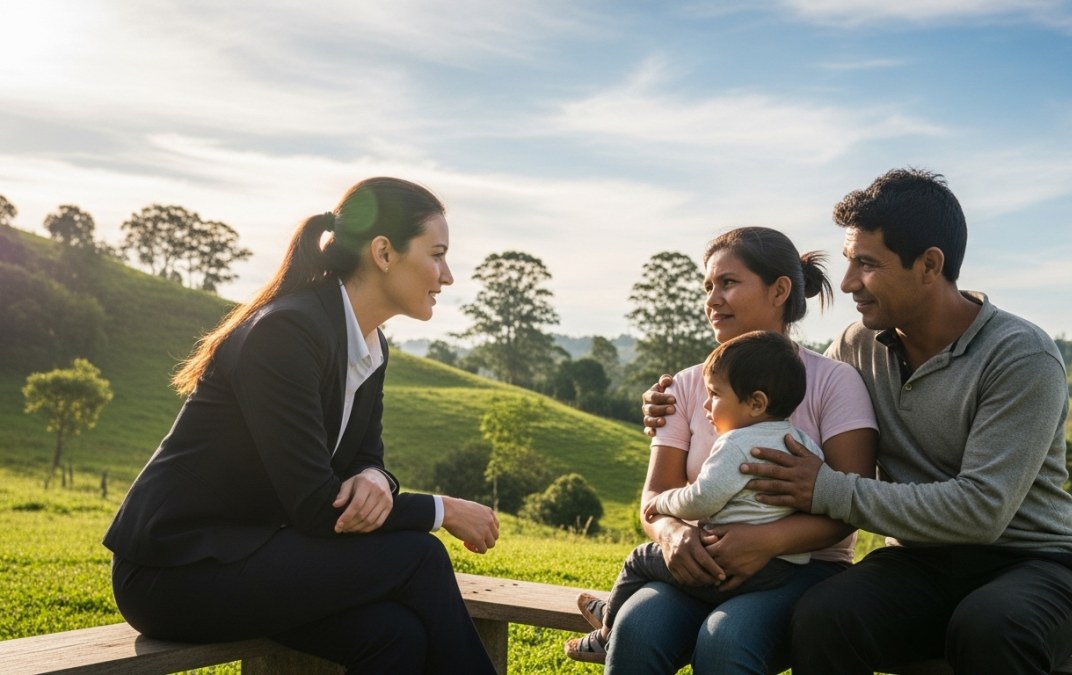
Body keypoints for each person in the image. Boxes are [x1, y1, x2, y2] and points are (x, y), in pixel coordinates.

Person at [676, 168, 1072, 674]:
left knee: (989, 627)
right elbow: (781, 395)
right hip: (919, 564)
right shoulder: (857, 346)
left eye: (867, 264)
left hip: (1035, 563)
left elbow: (982, 511)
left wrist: (825, 488)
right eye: (850, 262)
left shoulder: (1021, 356)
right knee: (824, 615)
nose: (849, 282)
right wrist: (679, 398)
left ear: (929, 265)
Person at [103, 177, 501, 674]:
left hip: (255, 555)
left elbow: (365, 458)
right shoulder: (285, 333)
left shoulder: (370, 345)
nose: (447, 276)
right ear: (383, 252)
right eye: (437, 254)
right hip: (176, 572)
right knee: (419, 556)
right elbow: (315, 506)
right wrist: (442, 511)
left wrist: (375, 479)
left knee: (393, 636)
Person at [613, 226, 878, 674]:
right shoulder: (684, 385)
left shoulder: (835, 383)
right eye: (708, 286)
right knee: (637, 627)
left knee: (727, 640)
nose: (712, 299)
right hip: (699, 560)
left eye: (729, 283)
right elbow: (655, 496)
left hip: (803, 567)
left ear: (779, 290)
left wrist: (765, 541)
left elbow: (852, 504)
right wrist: (674, 536)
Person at [565, 330, 825, 664]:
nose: (705, 404)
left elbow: (704, 499)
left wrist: (661, 502)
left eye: (715, 394)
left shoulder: (735, 444)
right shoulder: (802, 442)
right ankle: (612, 615)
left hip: (722, 563)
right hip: (781, 570)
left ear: (757, 402)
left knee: (639, 559)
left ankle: (605, 632)